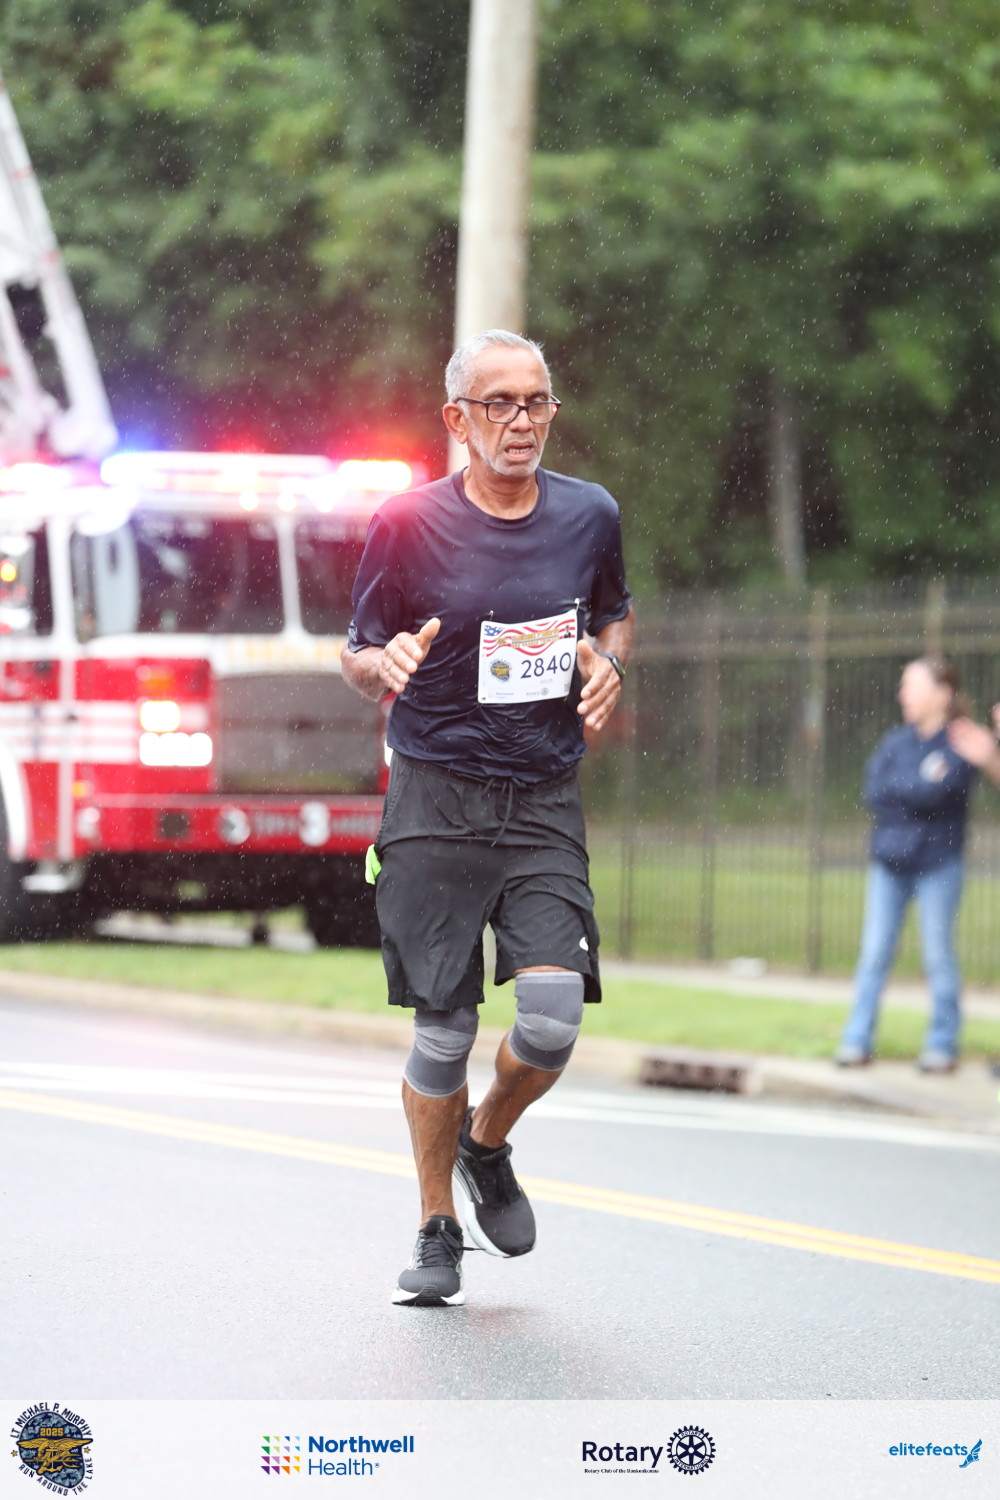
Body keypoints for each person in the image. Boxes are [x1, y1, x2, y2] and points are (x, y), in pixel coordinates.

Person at [340, 329, 634, 1307]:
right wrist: (379, 666)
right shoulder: (407, 523)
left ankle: (486, 1142)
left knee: (550, 1020)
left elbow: (614, 613)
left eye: (536, 401)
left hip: (541, 794)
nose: (521, 421)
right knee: (444, 1029)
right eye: (499, 403)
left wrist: (608, 662)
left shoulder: (589, 514)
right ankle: (436, 1226)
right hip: (434, 793)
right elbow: (356, 648)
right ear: (457, 419)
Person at [836, 656, 981, 1074]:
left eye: (913, 687)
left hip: (938, 864)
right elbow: (876, 791)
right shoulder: (895, 743)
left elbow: (944, 793)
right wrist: (919, 787)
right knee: (874, 954)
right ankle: (856, 1040)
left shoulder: (960, 743)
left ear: (942, 694)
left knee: (937, 957)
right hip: (889, 864)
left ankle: (942, 1045)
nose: (904, 695)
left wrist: (909, 792)